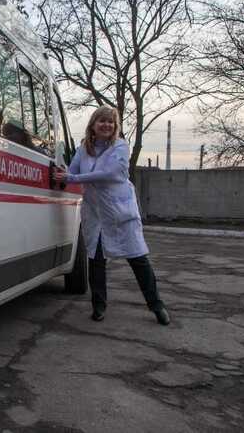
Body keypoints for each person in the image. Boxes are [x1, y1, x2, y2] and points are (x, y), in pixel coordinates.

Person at [53, 106, 170, 325]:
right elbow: (73, 170)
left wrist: (72, 178)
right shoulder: (84, 149)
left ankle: (156, 305)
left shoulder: (120, 146)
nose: (107, 125)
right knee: (96, 261)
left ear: (115, 127)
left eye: (111, 122)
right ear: (93, 125)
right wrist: (61, 171)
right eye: (102, 121)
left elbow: (111, 173)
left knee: (137, 258)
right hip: (95, 214)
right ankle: (99, 306)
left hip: (119, 212)